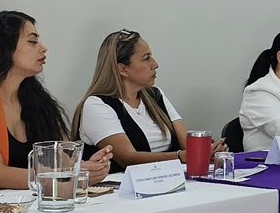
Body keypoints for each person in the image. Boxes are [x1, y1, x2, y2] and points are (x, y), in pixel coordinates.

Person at [0, 12, 112, 199]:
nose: (43, 48)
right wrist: (72, 176)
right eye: (32, 42)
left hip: (22, 205)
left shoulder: (36, 100)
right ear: (3, 47)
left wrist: (85, 167)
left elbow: (61, 163)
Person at [72, 30, 206, 168]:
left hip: (169, 177)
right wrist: (179, 156)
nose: (155, 64)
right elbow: (127, 158)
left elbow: (187, 145)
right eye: (146, 58)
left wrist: (209, 150)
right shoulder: (96, 105)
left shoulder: (156, 95)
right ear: (122, 69)